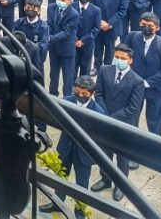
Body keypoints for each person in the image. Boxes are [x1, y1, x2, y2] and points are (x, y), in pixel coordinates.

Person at [42, 76, 104, 219]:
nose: (80, 96)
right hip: (66, 148)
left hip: (84, 154)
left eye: (84, 94)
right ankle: (57, 203)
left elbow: (98, 138)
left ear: (92, 93)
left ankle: (80, 212)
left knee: (82, 184)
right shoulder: (67, 101)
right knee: (61, 177)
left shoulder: (99, 112)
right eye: (77, 92)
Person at [91, 44, 145, 201]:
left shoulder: (137, 81)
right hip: (105, 119)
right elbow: (99, 93)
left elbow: (133, 108)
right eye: (117, 57)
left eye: (123, 58)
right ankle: (106, 179)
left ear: (130, 60)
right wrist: (104, 114)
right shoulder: (104, 70)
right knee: (105, 154)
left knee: (122, 157)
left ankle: (121, 185)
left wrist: (111, 118)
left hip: (123, 124)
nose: (119, 60)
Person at [129, 12, 161, 136]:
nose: (146, 28)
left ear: (157, 28)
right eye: (144, 24)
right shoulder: (132, 37)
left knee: (154, 120)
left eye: (150, 25)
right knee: (132, 115)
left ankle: (155, 143)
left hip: (155, 88)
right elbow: (126, 57)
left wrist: (147, 83)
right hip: (135, 85)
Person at [48, 0, 79, 96]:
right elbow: (49, 25)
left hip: (67, 50)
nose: (60, 1)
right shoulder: (51, 8)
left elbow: (66, 32)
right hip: (54, 49)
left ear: (69, 1)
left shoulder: (74, 14)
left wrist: (51, 38)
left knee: (68, 78)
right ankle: (52, 96)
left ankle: (67, 99)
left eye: (63, 0)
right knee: (53, 75)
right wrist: (48, 36)